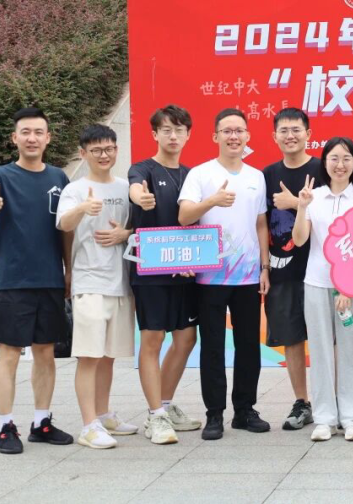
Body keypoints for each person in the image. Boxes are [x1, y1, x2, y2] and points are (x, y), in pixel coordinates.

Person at [178, 108, 270, 441]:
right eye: (227, 131)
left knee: (249, 346)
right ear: (215, 136)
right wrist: (212, 201)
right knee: (213, 347)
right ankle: (214, 414)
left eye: (239, 130)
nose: (234, 136)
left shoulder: (256, 176)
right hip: (209, 277)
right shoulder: (200, 174)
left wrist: (264, 267)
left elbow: (260, 224)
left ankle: (244, 410)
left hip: (248, 276)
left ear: (247, 136)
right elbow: (184, 216)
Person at [56, 125, 135, 449]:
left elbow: (134, 228)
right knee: (89, 356)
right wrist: (82, 209)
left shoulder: (126, 186)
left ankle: (103, 414)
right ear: (83, 153)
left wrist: (124, 234)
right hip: (89, 281)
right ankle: (88, 425)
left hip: (121, 283)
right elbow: (63, 224)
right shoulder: (75, 190)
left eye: (109, 149)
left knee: (108, 356)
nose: (104, 155)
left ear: (116, 150)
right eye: (97, 150)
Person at [0, 107, 74, 454]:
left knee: (46, 352)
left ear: (48, 138)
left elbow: (66, 230)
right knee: (9, 353)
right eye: (25, 132)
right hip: (11, 279)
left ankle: (41, 423)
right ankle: (4, 426)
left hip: (50, 278)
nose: (32, 138)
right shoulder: (3, 176)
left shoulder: (59, 178)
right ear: (14, 138)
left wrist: (69, 270)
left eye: (38, 132)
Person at [128, 105, 202, 445]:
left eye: (179, 130)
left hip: (186, 268)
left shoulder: (192, 175)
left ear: (188, 134)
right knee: (153, 338)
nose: (173, 136)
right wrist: (140, 198)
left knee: (186, 338)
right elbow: (135, 190)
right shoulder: (142, 169)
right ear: (154, 134)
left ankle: (166, 405)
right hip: (151, 272)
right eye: (166, 130)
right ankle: (154, 415)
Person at [291, 137, 353, 443]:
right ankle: (325, 418)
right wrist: (302, 207)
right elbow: (300, 240)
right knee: (321, 351)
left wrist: (348, 286)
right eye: (334, 158)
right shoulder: (313, 197)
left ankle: (352, 418)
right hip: (316, 282)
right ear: (324, 162)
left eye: (347, 158)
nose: (340, 165)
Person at [263, 108, 322, 432]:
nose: (290, 135)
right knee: (292, 338)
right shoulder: (267, 174)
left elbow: (334, 212)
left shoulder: (323, 169)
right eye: (283, 130)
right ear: (274, 136)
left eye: (296, 129)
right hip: (282, 269)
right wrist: (264, 267)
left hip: (321, 270)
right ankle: (302, 402)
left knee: (328, 339)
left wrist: (297, 204)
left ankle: (332, 401)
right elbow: (261, 224)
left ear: (308, 133)